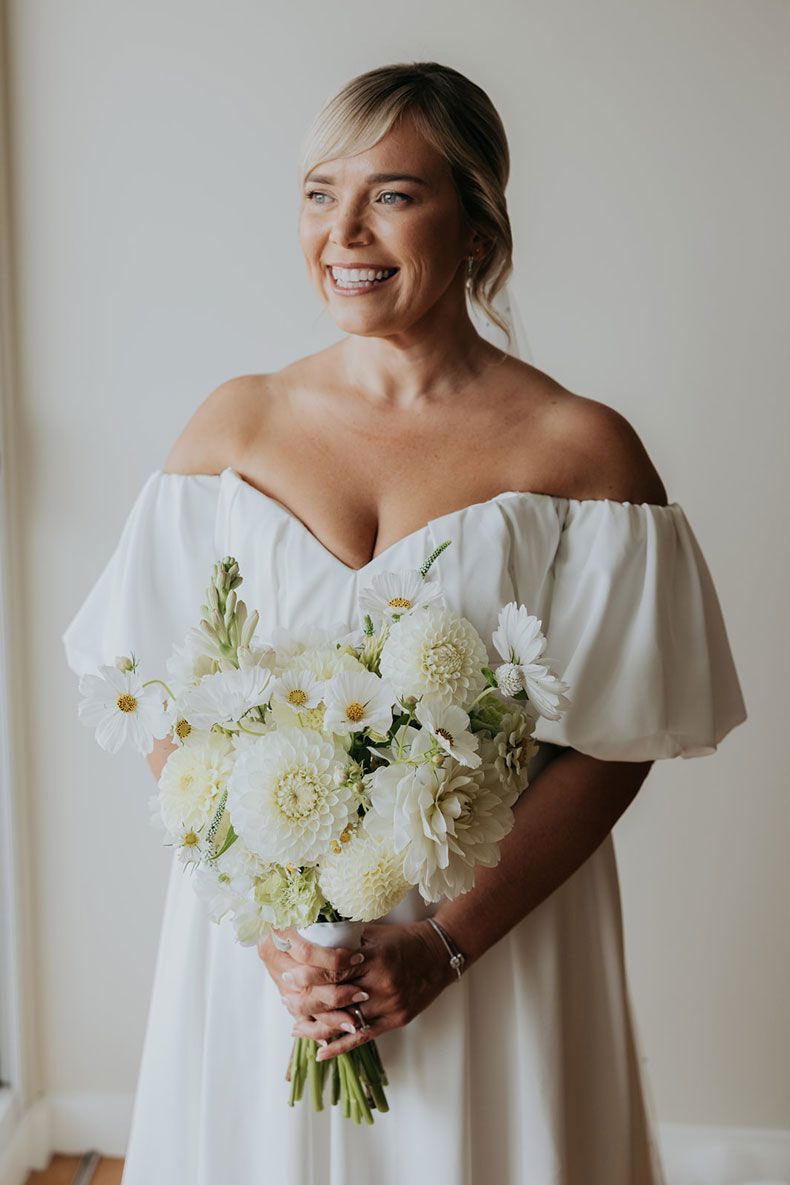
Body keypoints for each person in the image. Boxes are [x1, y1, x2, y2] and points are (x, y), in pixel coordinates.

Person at [62, 61, 747, 1185]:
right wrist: (269, 924)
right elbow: (163, 702)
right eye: (320, 192)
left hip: (490, 945)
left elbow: (617, 744)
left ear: (477, 223)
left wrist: (444, 944)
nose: (344, 231)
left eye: (392, 194)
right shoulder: (230, 429)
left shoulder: (582, 455)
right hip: (269, 960)